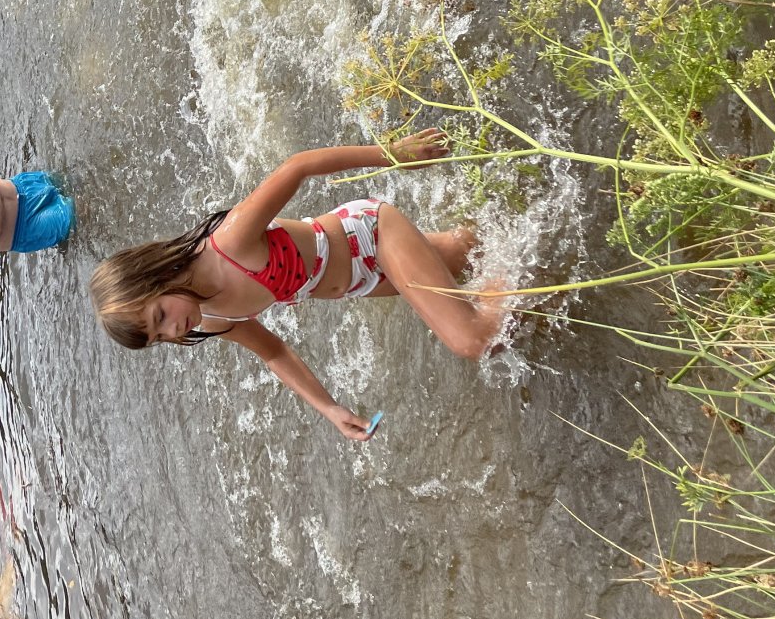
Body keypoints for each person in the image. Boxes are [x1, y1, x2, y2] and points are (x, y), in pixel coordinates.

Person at [88, 130, 509, 441]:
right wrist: (329, 408)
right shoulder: (213, 316)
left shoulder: (230, 243)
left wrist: (392, 155)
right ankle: (518, 208)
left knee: (473, 340)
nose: (173, 330)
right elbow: (274, 351)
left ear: (156, 277)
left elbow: (298, 166)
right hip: (361, 281)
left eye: (161, 316)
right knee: (481, 248)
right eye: (160, 337)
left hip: (371, 234)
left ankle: (526, 270)